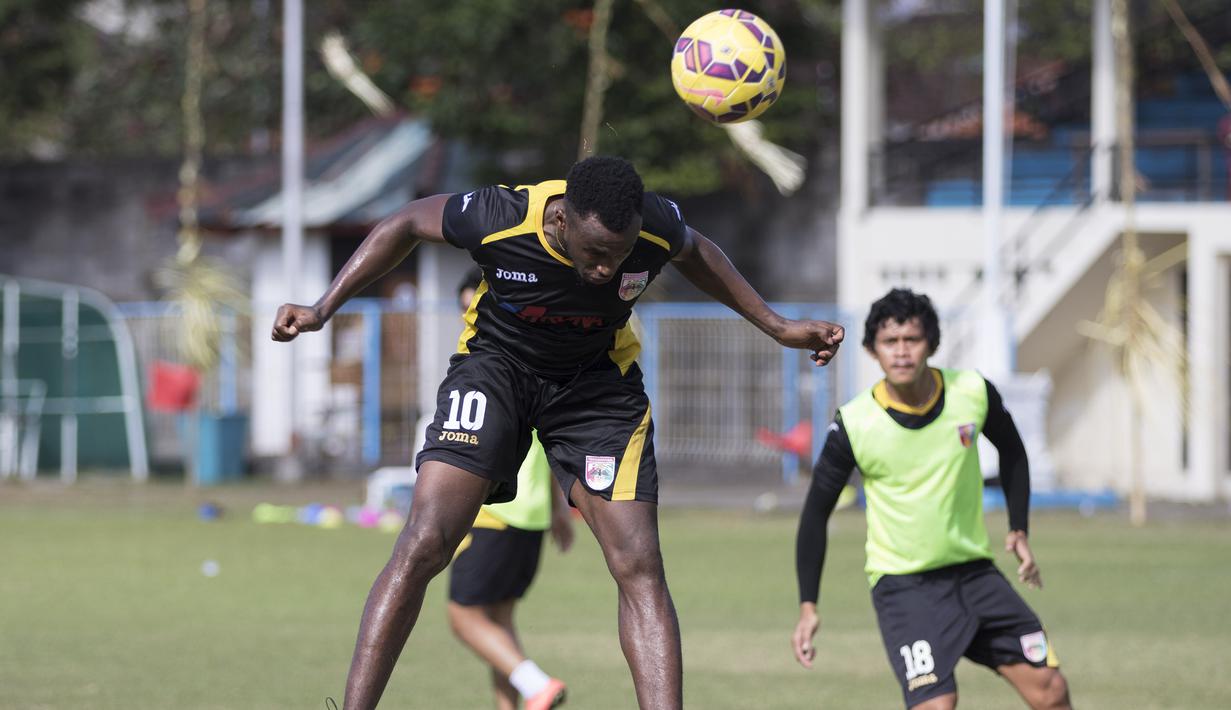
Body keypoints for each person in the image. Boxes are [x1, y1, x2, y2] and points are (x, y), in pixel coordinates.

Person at [272, 155, 844, 710]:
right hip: (496, 368)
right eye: (595, 253)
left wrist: (778, 326)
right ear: (561, 220)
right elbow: (405, 222)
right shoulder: (501, 216)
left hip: (596, 385)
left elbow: (698, 251)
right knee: (426, 540)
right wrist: (325, 307)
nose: (605, 270)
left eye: (619, 257)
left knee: (639, 564)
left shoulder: (655, 226)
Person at [791, 288, 1072, 710]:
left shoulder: (973, 392)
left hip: (976, 574)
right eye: (890, 342)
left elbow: (1013, 452)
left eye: (912, 340)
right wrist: (808, 605)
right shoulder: (855, 423)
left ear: (932, 344)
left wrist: (1018, 528)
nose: (901, 352)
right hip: (905, 587)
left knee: (1050, 689)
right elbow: (815, 513)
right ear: (873, 350)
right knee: (937, 706)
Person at [447, 268, 574, 710]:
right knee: (498, 623)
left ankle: (536, 684)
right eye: (464, 308)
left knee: (463, 616)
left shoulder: (494, 369)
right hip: (532, 515)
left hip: (496, 512)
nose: (470, 316)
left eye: (474, 305)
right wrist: (558, 510)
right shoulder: (538, 357)